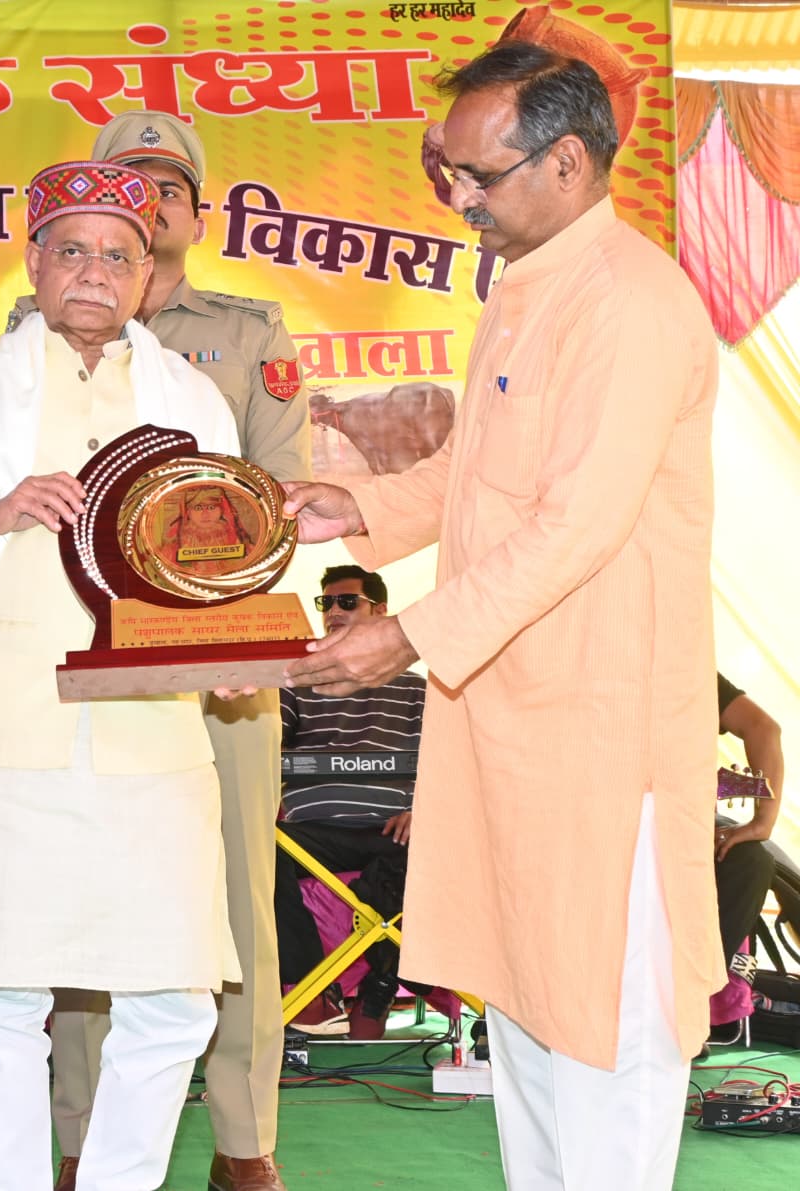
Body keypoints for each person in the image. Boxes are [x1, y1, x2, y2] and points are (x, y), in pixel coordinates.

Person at [277, 42, 721, 1189]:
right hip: (511, 719)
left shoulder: (625, 302)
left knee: (605, 1025)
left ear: (565, 161)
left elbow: (575, 524)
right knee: (526, 1015)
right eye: (449, 174)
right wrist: (358, 506)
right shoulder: (525, 292)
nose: (459, 198)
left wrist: (402, 636)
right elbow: (477, 470)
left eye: (477, 175)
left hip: (601, 731)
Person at [0, 159, 242, 1191]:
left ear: (147, 273)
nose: (94, 272)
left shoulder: (191, 396)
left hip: (153, 726)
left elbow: (226, 556)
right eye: (71, 249)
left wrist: (231, 642)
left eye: (118, 255)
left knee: (175, 998)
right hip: (8, 717)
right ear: (32, 261)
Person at [8, 110, 310, 1191]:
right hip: (80, 653)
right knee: (83, 891)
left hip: (217, 656)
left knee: (237, 899)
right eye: (131, 180)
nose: (156, 196)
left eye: (172, 181)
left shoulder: (250, 332)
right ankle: (80, 1137)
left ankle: (244, 1140)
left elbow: (278, 492)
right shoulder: (34, 325)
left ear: (195, 209)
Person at [274, 566, 425, 1039]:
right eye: (326, 603)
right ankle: (311, 988)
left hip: (391, 829)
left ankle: (380, 985)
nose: (333, 611)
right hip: (312, 835)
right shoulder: (295, 685)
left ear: (380, 611)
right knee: (256, 846)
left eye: (347, 602)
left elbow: (450, 760)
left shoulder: (418, 689)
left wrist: (423, 808)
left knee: (430, 857)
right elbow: (265, 742)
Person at [714, 672, 785, 972]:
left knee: (750, 862)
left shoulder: (686, 668)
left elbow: (763, 728)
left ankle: (696, 987)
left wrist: (761, 823)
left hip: (680, 826)